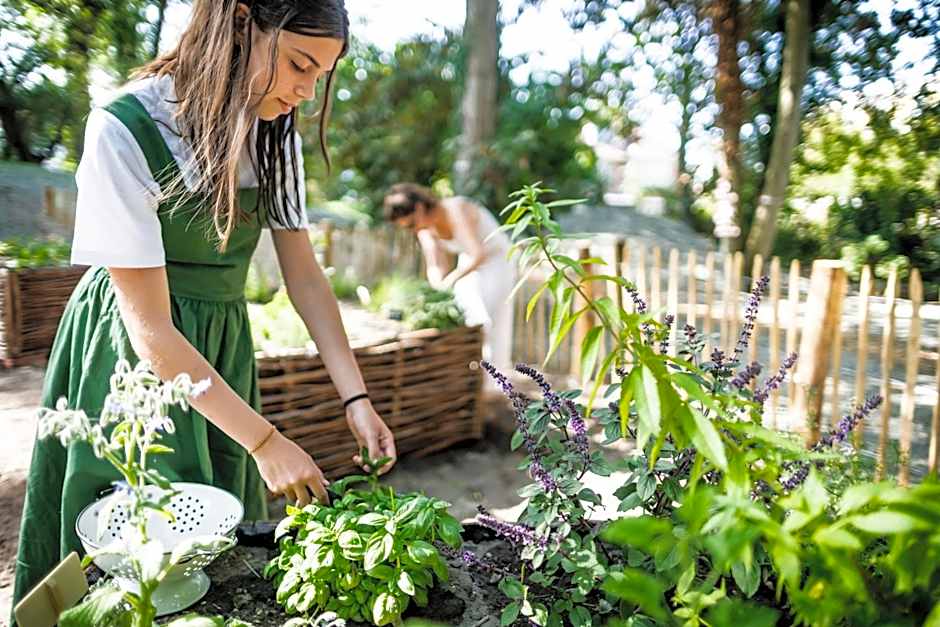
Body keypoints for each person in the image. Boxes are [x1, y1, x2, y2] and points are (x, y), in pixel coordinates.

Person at [12, 0, 396, 617]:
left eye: (319, 76)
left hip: (221, 351)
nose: (305, 91)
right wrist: (265, 440)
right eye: (299, 64)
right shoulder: (125, 128)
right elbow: (152, 331)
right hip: (136, 362)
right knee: (135, 559)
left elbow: (305, 278)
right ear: (243, 23)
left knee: (214, 556)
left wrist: (357, 399)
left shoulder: (273, 133)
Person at [383, 183, 515, 371]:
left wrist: (450, 281)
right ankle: (472, 370)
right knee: (469, 308)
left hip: (497, 258)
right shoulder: (425, 231)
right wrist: (436, 290)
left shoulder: (455, 208)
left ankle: (495, 380)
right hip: (470, 262)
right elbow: (436, 266)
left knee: (489, 315)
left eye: (412, 223)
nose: (413, 230)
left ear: (419, 208)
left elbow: (478, 253)